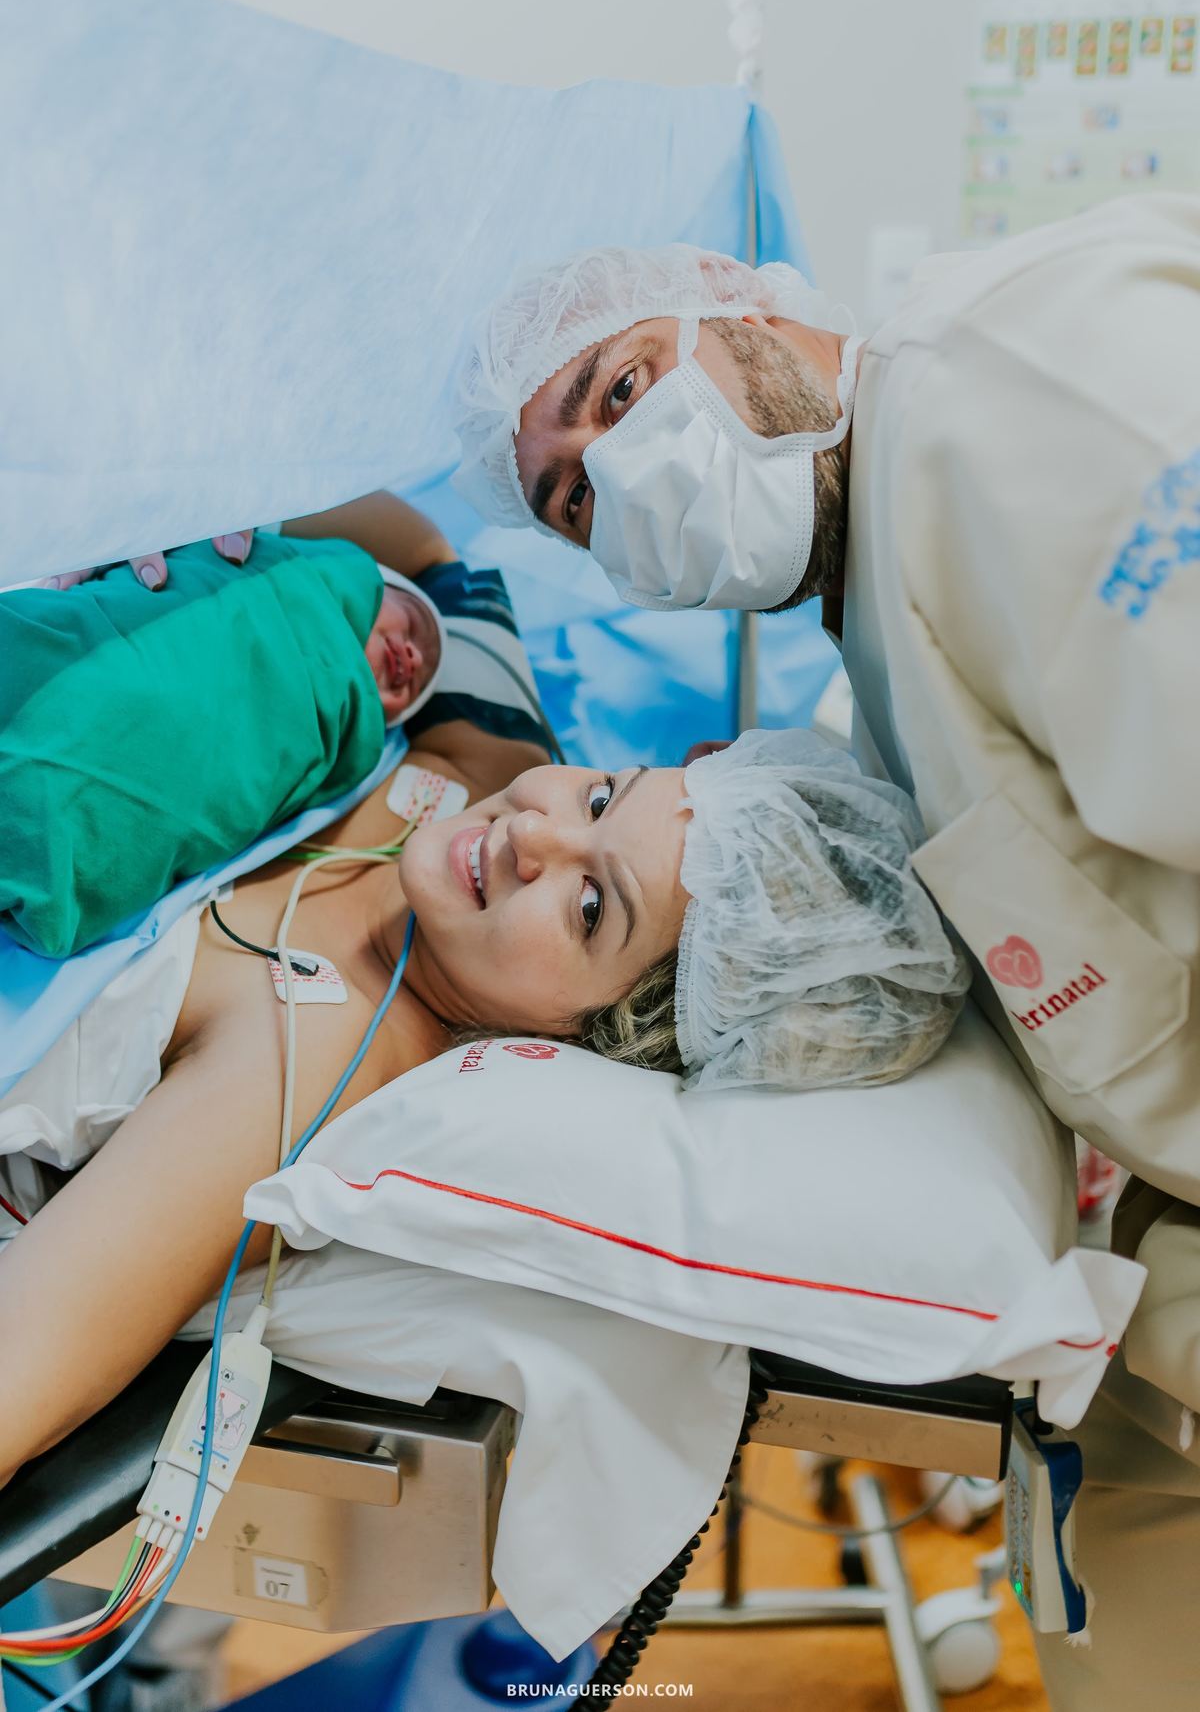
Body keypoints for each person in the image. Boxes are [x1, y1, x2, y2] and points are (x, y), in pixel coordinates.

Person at [449, 199, 1200, 1710]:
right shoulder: (872, 649)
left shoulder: (1016, 385)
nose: (617, 478)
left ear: (736, 296)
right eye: (575, 503)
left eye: (617, 389)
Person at [0, 580, 967, 1487]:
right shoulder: (485, 762)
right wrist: (376, 595)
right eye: (602, 797)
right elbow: (426, 552)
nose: (532, 836)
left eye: (590, 907)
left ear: (605, 1036)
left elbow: (22, 1367)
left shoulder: (297, 1065)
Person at [1, 498, 449, 958]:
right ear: (368, 579)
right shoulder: (271, 559)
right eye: (412, 625)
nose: (412, 656)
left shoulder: (348, 747)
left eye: (416, 682)